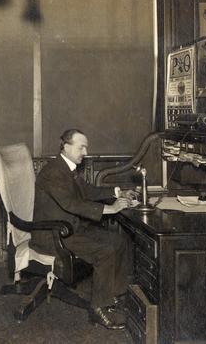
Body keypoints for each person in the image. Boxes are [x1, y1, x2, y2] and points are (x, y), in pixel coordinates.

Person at [30, 129, 134, 330]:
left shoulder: (67, 168)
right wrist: (111, 209)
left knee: (119, 241)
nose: (85, 152)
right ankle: (98, 309)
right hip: (53, 235)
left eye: (86, 146)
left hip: (70, 229)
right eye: (81, 147)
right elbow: (71, 204)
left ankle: (113, 298)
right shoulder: (52, 172)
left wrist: (118, 191)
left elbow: (86, 191)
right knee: (106, 251)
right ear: (66, 147)